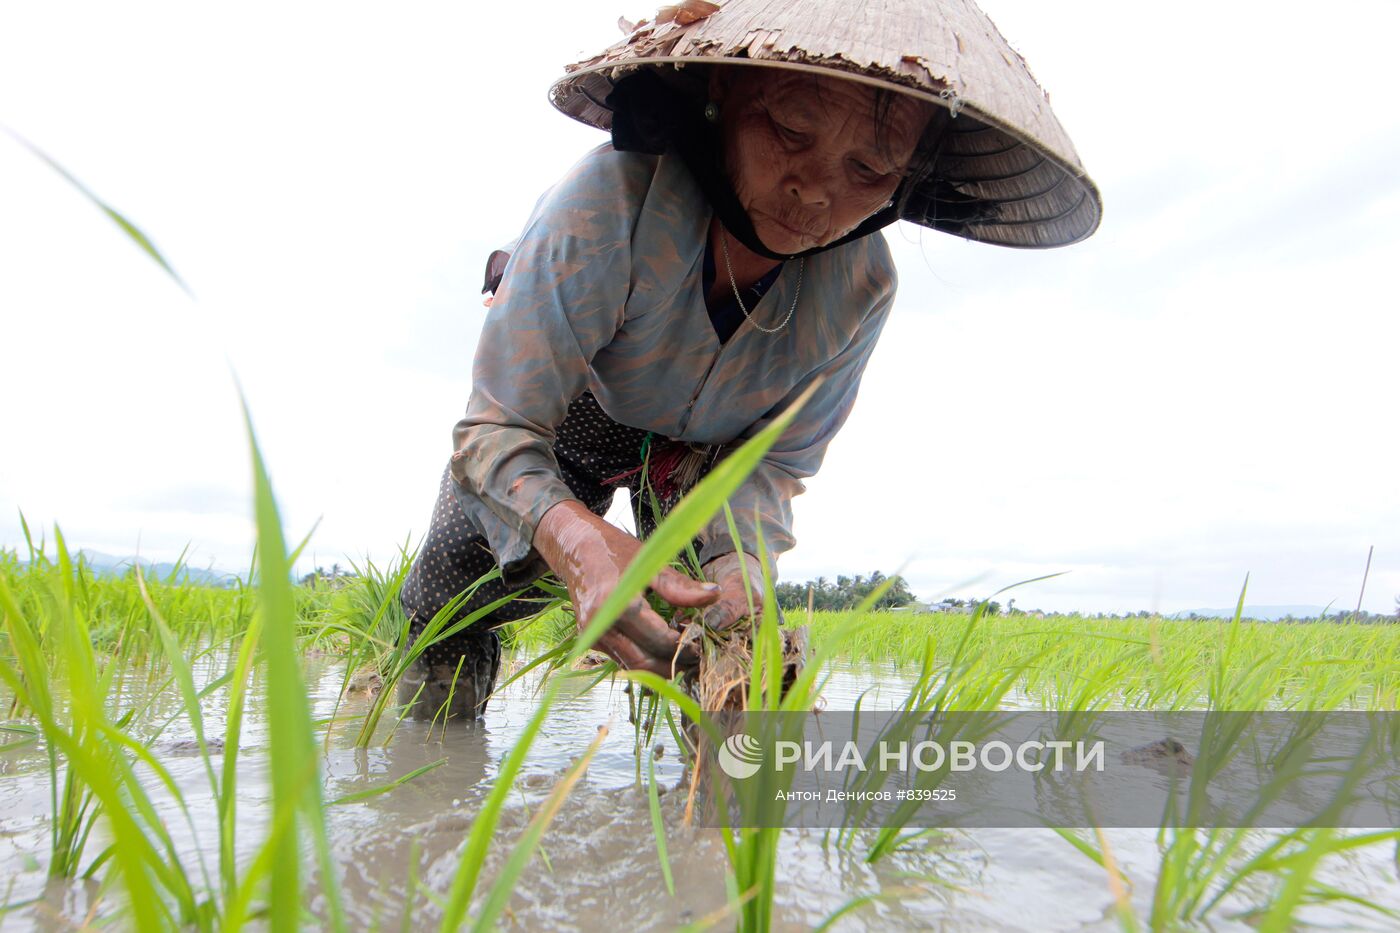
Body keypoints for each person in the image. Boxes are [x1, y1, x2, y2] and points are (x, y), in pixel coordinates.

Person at [398, 0, 1101, 719]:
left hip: (714, 456)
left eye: (869, 167)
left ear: (903, 182)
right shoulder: (608, 203)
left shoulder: (862, 289)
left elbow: (774, 463)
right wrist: (574, 540)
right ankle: (430, 753)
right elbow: (496, 429)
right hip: (582, 410)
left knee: (733, 644)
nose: (818, 188)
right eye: (792, 131)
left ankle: (715, 811)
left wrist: (741, 574)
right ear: (723, 96)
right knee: (447, 591)